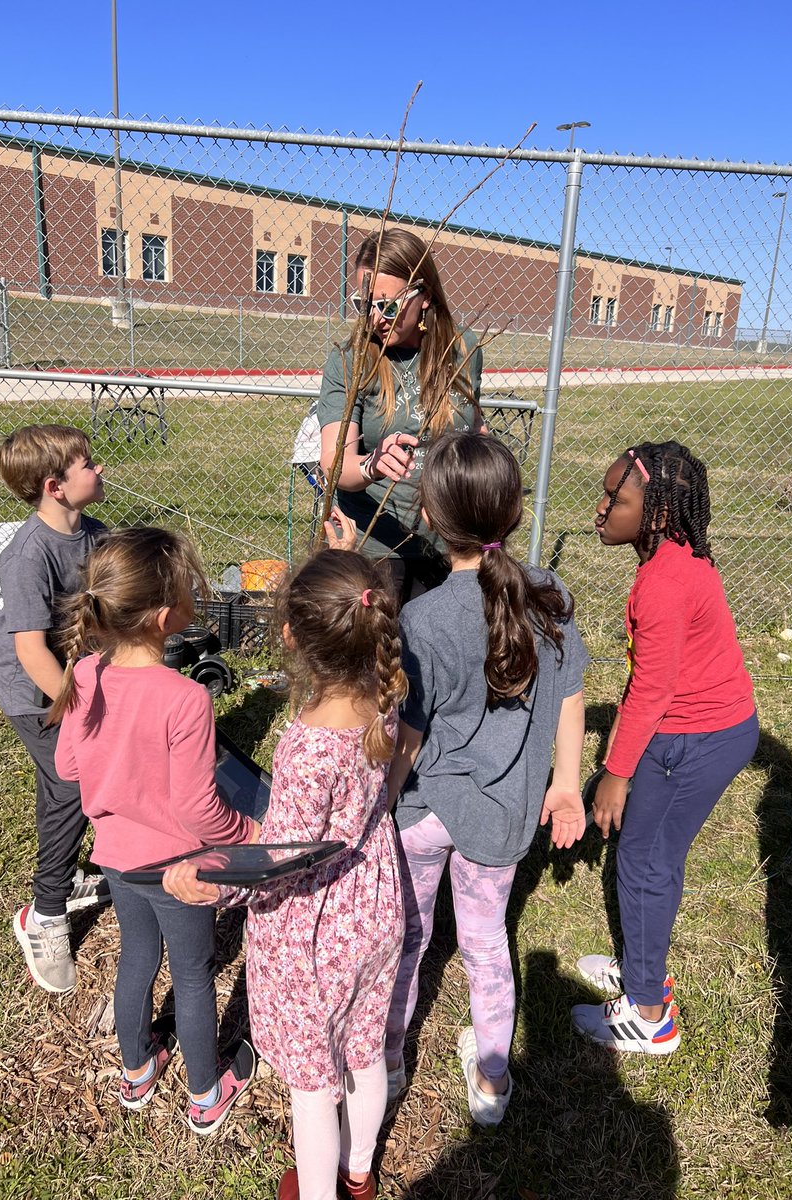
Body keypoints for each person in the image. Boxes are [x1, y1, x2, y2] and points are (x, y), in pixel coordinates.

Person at [163, 548, 407, 1200]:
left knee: (311, 1085)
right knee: (363, 1048)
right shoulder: (383, 691)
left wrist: (210, 878)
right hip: (376, 900)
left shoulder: (307, 744)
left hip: (317, 929)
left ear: (292, 635)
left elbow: (279, 860)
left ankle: (322, 1190)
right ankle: (359, 1174)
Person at [384, 431, 589, 1127]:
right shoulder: (551, 595)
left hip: (420, 814)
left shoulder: (424, 617)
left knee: (407, 940)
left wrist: (377, 805)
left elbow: (407, 737)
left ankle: (384, 1067)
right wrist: (566, 784)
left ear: (432, 521)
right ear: (515, 511)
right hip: (502, 819)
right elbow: (570, 696)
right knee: (485, 943)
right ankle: (494, 1084)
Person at [51, 527, 258, 1134]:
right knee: (193, 973)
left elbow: (67, 766)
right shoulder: (185, 698)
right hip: (179, 867)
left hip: (116, 857)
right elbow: (198, 813)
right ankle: (204, 1093)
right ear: (166, 616)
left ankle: (137, 1071)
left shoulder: (86, 672)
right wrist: (247, 829)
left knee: (136, 958)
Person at [571, 441, 758, 1054]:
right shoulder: (676, 555)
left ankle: (650, 1014)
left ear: (655, 513)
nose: (601, 510)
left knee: (644, 862)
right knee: (653, 855)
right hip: (703, 725)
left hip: (696, 734)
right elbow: (655, 676)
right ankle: (642, 966)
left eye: (615, 500)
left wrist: (615, 772)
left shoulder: (663, 583)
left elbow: (652, 689)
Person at [0, 424, 110, 994]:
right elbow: (30, 650)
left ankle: (67, 874)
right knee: (73, 786)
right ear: (54, 486)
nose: (99, 469)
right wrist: (80, 708)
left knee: (59, 787)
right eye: (87, 464)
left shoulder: (93, 535)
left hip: (73, 683)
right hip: (34, 692)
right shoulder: (27, 555)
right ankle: (44, 913)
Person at [317, 227, 485, 603]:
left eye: (388, 305)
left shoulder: (462, 351)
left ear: (424, 295)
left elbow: (473, 429)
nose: (376, 317)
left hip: (450, 543)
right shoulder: (349, 361)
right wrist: (371, 465)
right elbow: (333, 464)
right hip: (377, 548)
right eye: (366, 304)